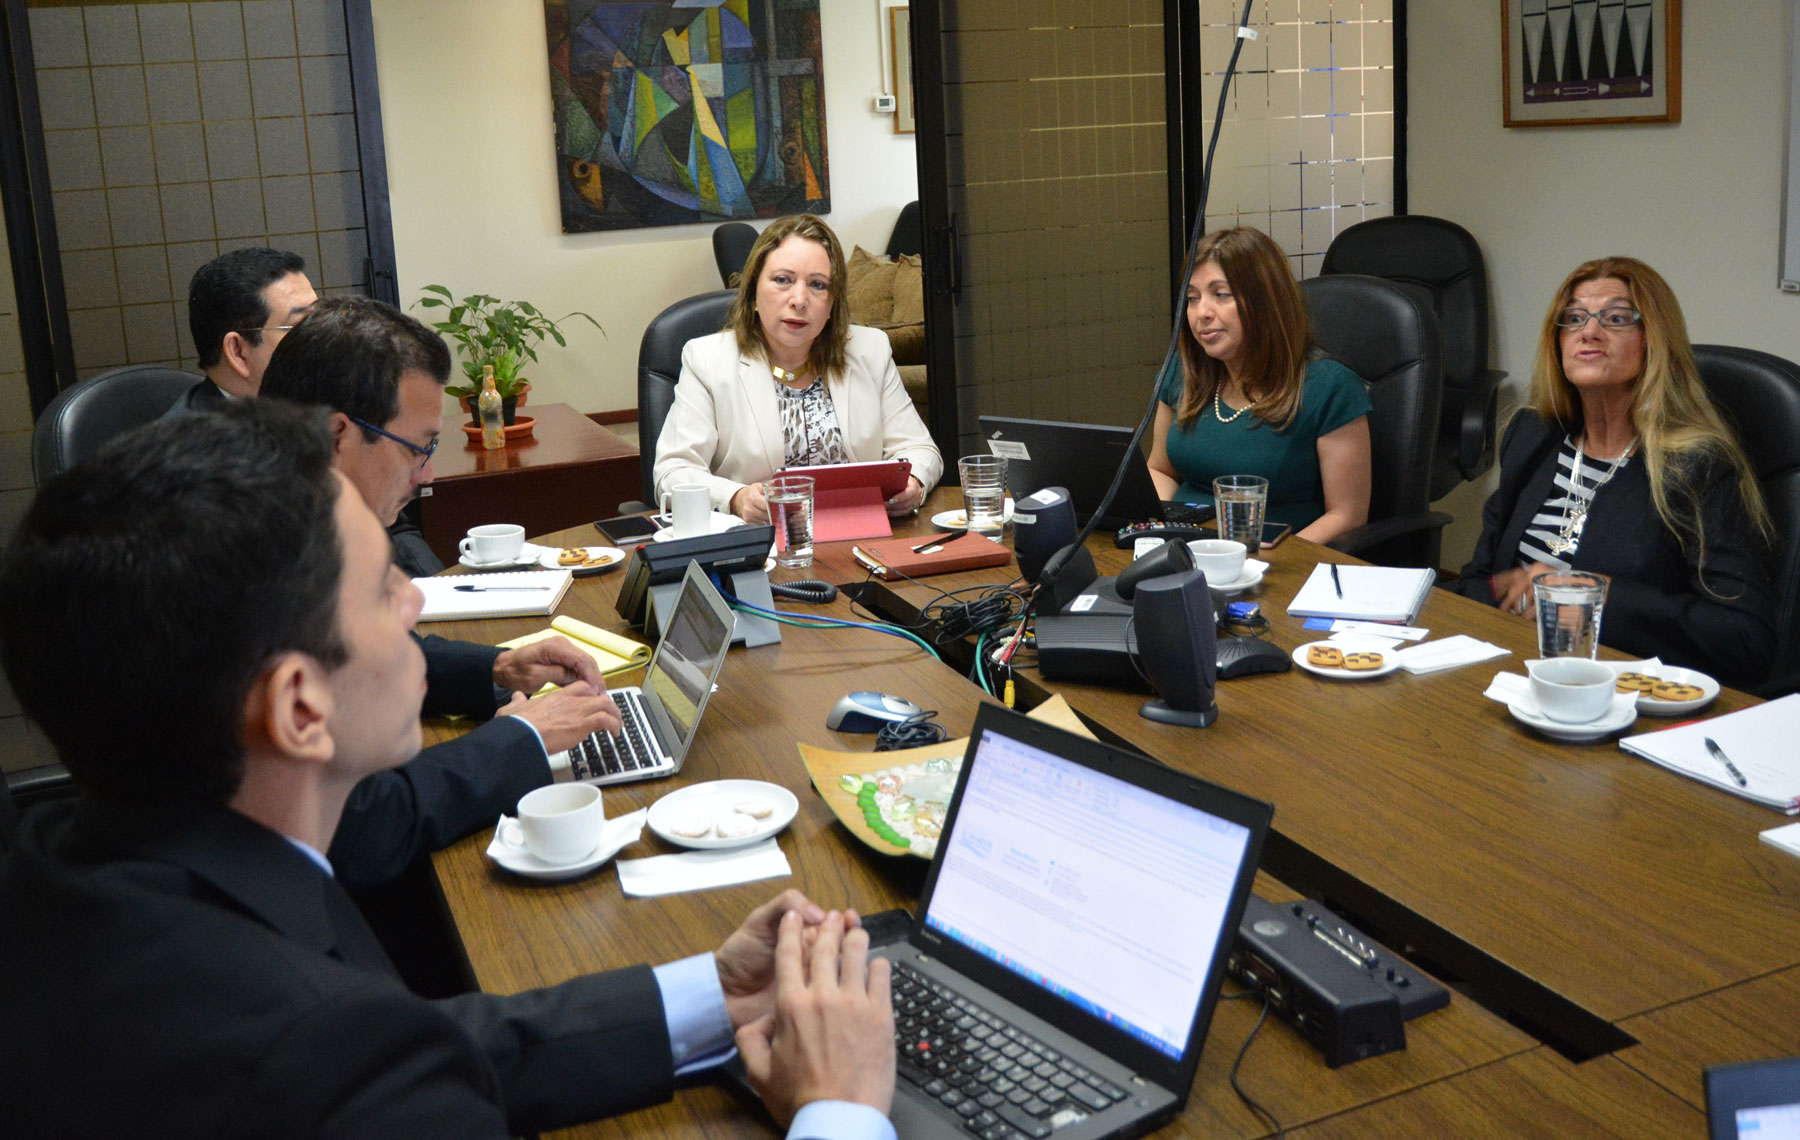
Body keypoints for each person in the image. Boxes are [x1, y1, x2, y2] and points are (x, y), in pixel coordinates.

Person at [0, 401, 896, 1139]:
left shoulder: (72, 873)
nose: (416, 600)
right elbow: (366, 1062)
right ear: (300, 711)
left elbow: (422, 1042)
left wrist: (712, 994)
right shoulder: (313, 1063)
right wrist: (841, 1108)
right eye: (383, 588)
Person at [260, 296, 623, 887]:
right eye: (419, 447)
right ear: (336, 436)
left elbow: (358, 656)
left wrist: (499, 668)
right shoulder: (258, 565)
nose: (427, 473)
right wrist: (521, 740)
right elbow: (360, 823)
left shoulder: (284, 516)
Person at [1447, 257, 1775, 685]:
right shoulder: (1532, 435)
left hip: (1623, 691)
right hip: (1509, 670)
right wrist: (1501, 598)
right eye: (1573, 318)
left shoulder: (1698, 466)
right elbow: (1479, 579)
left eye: (1616, 318)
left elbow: (1746, 640)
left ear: (1654, 341)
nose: (1589, 331)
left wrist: (1593, 597)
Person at [654, 213, 943, 523]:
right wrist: (735, 499)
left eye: (818, 285)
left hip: (862, 534)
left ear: (832, 304)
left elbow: (920, 449)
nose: (800, 300)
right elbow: (673, 472)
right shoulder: (708, 360)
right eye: (783, 280)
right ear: (752, 293)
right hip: (761, 539)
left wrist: (914, 483)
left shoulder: (869, 350)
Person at [1146, 226, 1372, 544]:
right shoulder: (1184, 373)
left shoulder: (1329, 387)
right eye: (1193, 299)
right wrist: (1164, 528)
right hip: (1187, 548)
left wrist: (1271, 559)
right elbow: (1160, 470)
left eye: (1221, 294)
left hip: (1276, 558)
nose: (1201, 313)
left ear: (1266, 301)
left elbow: (1348, 514)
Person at [164, 246, 318, 414]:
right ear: (238, 352)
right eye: (300, 326)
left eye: (319, 318)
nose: (321, 337)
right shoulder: (199, 431)